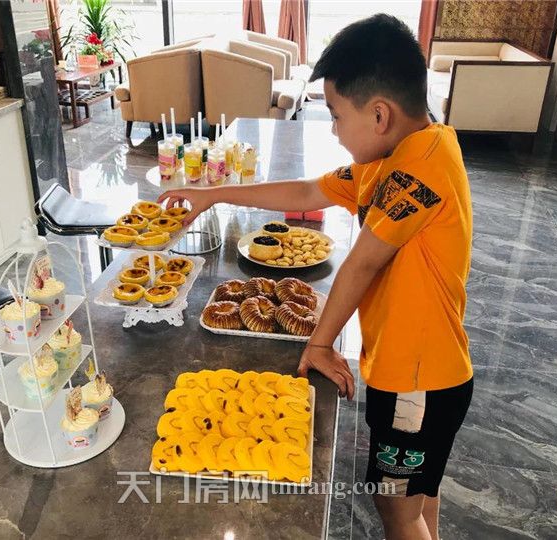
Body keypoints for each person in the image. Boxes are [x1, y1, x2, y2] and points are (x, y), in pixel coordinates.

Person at [159, 14, 472, 540]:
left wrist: (321, 343)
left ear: (379, 114)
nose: (333, 129)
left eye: (336, 115)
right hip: (420, 375)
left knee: (396, 507)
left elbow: (363, 262)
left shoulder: (421, 169)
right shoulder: (395, 157)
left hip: (417, 383)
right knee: (418, 492)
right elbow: (307, 192)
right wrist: (211, 195)